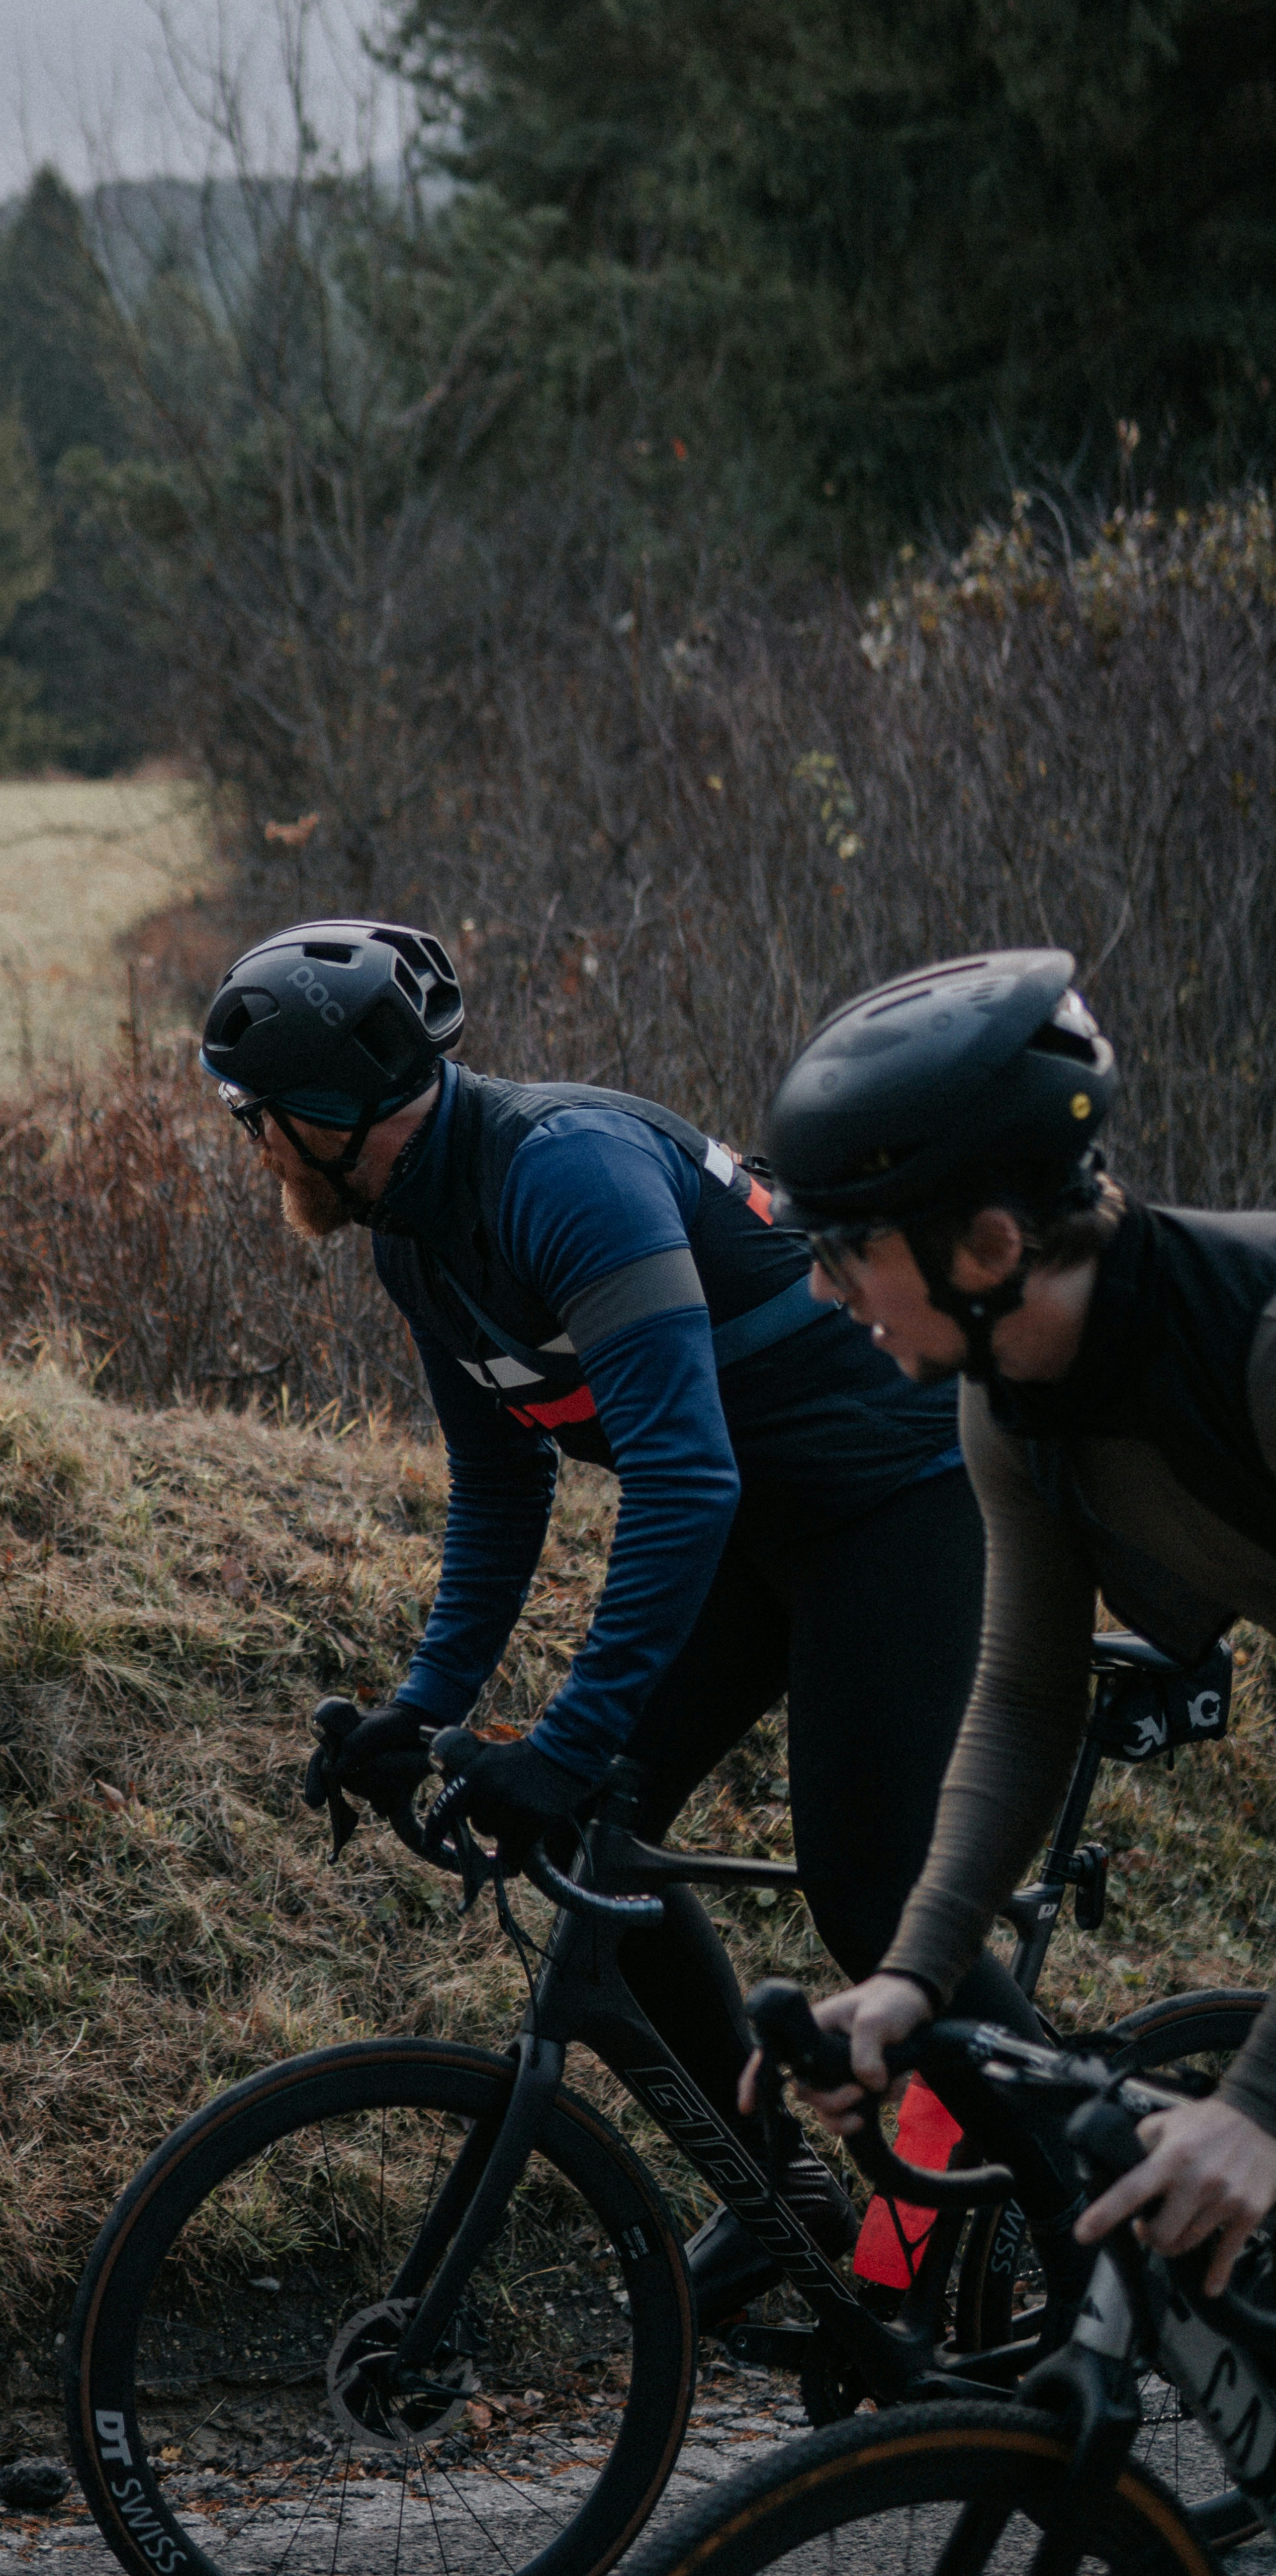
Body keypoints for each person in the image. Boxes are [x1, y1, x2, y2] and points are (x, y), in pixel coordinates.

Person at [200, 916, 1053, 2321]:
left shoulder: (565, 1177)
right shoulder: (419, 1238)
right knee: (588, 1827)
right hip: (762, 1523)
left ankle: (1082, 2199)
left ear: (331, 1114)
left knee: (866, 1890)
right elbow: (499, 1480)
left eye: (257, 1121)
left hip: (899, 1500)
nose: (255, 1152)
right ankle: (778, 2184)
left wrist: (573, 1730)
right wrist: (423, 1708)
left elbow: (683, 1473)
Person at [752, 943, 1276, 2298]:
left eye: (844, 1246)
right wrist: (914, 1975)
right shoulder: (1008, 1400)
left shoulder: (1255, 1350)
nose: (821, 1287)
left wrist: (1260, 2100)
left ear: (987, 1244)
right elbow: (1024, 1699)